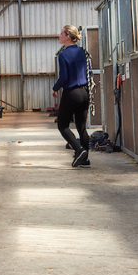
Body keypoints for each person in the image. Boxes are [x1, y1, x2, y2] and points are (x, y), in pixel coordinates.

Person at [52, 25, 91, 169]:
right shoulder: (82, 52)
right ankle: (85, 160)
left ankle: (79, 150)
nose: (59, 35)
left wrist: (55, 88)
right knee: (82, 127)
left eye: (61, 33)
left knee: (62, 125)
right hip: (84, 92)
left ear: (68, 36)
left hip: (72, 93)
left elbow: (64, 77)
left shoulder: (63, 55)